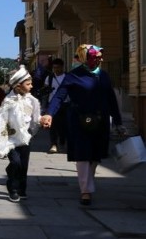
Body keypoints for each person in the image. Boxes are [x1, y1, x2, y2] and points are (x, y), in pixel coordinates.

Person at [41, 44, 124, 206]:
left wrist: (119, 122)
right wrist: (49, 113)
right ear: (86, 58)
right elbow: (59, 96)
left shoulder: (104, 76)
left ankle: (88, 181)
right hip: (80, 121)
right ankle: (85, 190)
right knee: (83, 153)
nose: (100, 59)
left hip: (101, 120)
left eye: (100, 57)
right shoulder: (73, 75)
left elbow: (112, 100)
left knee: (96, 153)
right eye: (96, 57)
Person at [0, 65, 42, 202]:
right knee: (16, 162)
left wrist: (41, 120)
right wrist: (1, 141)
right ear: (18, 86)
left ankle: (22, 189)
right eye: (28, 84)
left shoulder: (32, 100)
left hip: (25, 138)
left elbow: (36, 117)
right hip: (11, 139)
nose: (31, 86)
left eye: (31, 83)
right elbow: (1, 121)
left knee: (23, 164)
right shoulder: (8, 101)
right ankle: (13, 189)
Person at [42, 58, 69, 154]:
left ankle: (62, 141)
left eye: (58, 67)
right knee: (53, 125)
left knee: (64, 125)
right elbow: (45, 91)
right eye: (54, 68)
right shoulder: (49, 78)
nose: (56, 69)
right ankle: (54, 144)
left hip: (66, 104)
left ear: (62, 67)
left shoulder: (67, 77)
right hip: (52, 104)